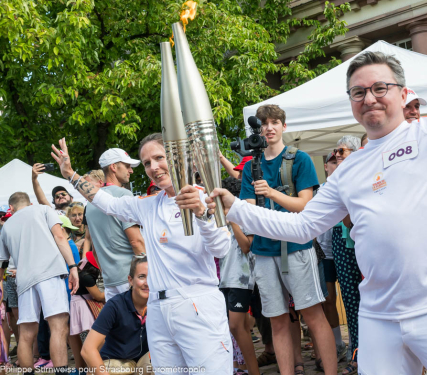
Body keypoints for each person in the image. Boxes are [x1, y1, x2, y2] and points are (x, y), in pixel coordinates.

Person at [210, 0, 427, 374]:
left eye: (379, 88)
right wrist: (234, 207)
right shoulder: (348, 170)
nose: (369, 98)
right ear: (352, 102)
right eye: (358, 92)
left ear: (403, 94)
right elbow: (302, 226)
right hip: (379, 317)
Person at [51, 133, 233, 374]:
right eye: (147, 163)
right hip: (158, 309)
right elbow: (107, 203)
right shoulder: (149, 205)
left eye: (159, 158)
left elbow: (221, 247)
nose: (153, 167)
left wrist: (202, 215)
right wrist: (70, 175)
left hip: (197, 304)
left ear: (177, 158)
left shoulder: (204, 196)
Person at [238, 104, 334, 375]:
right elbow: (247, 211)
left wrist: (270, 193)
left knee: (313, 316)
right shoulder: (250, 167)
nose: (268, 128)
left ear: (283, 126)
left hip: (296, 246)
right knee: (277, 321)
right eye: (264, 123)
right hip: (264, 250)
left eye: (274, 122)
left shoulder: (299, 159)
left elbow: (306, 205)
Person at [0, 192, 79, 370]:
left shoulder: (5, 227)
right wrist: (72, 266)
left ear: (10, 208)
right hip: (50, 272)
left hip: (24, 279)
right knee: (58, 327)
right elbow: (60, 237)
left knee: (26, 333)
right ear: (29, 203)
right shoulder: (43, 209)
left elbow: (3, 262)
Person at [84, 148, 145, 301]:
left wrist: (107, 272)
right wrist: (147, 273)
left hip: (110, 280)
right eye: (127, 166)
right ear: (113, 167)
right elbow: (136, 241)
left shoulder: (90, 204)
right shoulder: (124, 194)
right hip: (131, 278)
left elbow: (95, 249)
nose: (130, 171)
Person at [81, 256, 151, 375]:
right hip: (115, 362)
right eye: (141, 276)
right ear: (130, 280)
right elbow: (87, 350)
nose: (147, 282)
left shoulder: (159, 305)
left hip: (142, 363)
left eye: (152, 277)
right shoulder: (115, 305)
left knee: (161, 362)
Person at [219, 176, 260, 375]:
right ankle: (244, 368)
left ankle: (253, 371)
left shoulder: (245, 215)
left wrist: (233, 220)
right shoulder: (222, 219)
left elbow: (246, 246)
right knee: (238, 325)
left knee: (236, 326)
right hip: (225, 278)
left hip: (241, 278)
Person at [329, 137, 363, 375]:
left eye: (342, 151)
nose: (337, 155)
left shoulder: (363, 174)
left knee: (371, 301)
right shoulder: (335, 181)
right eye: (335, 152)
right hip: (342, 243)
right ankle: (357, 353)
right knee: (350, 302)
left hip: (363, 242)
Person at [317, 152, 349, 365]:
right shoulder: (319, 190)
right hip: (325, 252)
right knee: (328, 300)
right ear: (325, 167)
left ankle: (356, 344)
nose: (334, 163)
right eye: (331, 161)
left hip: (347, 247)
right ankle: (338, 344)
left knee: (351, 298)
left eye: (337, 160)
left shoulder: (350, 184)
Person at [68, 251, 105, 371]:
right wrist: (111, 290)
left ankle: (81, 369)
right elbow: (98, 296)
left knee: (79, 337)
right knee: (90, 339)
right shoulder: (86, 277)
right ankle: (92, 368)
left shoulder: (82, 265)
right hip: (84, 306)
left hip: (78, 303)